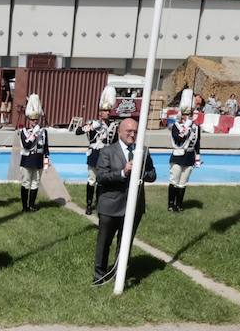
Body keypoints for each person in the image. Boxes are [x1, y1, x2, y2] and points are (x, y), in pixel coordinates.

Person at [93, 117, 157, 285]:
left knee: (125, 242)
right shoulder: (107, 151)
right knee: (104, 241)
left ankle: (119, 274)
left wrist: (140, 171)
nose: (132, 134)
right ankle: (99, 275)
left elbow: (152, 175)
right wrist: (123, 172)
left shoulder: (143, 150)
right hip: (110, 205)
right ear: (120, 132)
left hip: (134, 206)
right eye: (129, 131)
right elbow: (101, 177)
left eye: (135, 131)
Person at [79, 106, 117, 215]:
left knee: (102, 182)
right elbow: (78, 131)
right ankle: (89, 205)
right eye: (105, 111)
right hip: (94, 156)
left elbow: (114, 143)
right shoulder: (94, 123)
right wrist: (90, 126)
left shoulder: (113, 126)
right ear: (100, 112)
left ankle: (100, 203)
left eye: (109, 111)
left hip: (106, 157)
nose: (108, 113)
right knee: (92, 181)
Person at [17, 93, 51, 212]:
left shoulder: (43, 132)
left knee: (35, 183)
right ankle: (24, 207)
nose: (34, 122)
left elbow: (46, 148)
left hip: (38, 160)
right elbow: (26, 145)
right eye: (32, 120)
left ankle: (31, 205)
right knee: (26, 182)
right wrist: (34, 133)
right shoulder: (24, 131)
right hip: (27, 160)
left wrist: (46, 164)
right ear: (29, 120)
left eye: (36, 119)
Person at [168, 109, 202, 213]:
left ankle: (179, 205)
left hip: (189, 157)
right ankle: (171, 205)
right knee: (174, 180)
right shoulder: (176, 126)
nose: (189, 117)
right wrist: (186, 128)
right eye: (186, 115)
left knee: (183, 183)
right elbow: (178, 139)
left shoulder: (196, 128)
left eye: (190, 115)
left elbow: (197, 143)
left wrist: (197, 158)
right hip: (178, 156)